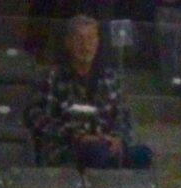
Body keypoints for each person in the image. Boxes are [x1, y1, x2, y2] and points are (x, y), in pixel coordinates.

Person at [26, 14, 150, 170]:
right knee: (96, 152)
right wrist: (78, 136)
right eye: (79, 39)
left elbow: (124, 115)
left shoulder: (110, 78)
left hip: (106, 145)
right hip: (68, 148)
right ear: (68, 43)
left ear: (98, 43)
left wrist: (119, 138)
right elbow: (36, 117)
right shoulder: (52, 78)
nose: (85, 46)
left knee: (143, 154)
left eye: (91, 39)